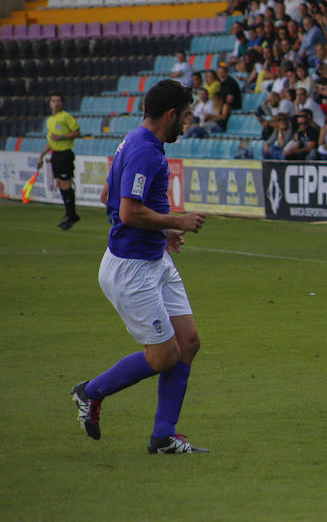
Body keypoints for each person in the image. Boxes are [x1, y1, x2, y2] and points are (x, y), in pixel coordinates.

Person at [72, 80, 208, 454]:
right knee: (164, 356)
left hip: (153, 258)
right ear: (170, 115)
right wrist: (177, 222)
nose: (186, 122)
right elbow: (128, 211)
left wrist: (162, 231)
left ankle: (164, 435)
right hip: (132, 269)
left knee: (189, 343)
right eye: (184, 115)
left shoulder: (134, 140)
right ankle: (90, 391)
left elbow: (107, 197)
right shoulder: (146, 151)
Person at [37, 91, 82, 229]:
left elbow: (77, 132)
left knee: (66, 183)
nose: (56, 103)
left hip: (65, 154)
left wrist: (62, 137)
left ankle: (72, 215)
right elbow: (50, 140)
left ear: (62, 103)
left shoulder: (66, 117)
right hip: (55, 154)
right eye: (53, 101)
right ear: (50, 104)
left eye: (58, 101)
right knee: (60, 183)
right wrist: (42, 155)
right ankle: (69, 214)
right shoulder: (50, 120)